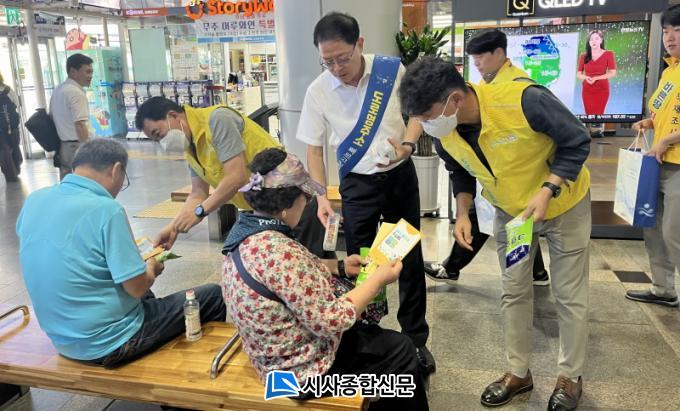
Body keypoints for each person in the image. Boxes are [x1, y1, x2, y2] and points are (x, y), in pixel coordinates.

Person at [400, 57, 591, 410]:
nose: (424, 125)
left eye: (427, 116)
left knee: (568, 293)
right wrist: (462, 212)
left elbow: (577, 140)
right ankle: (518, 372)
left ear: (455, 100)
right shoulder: (445, 132)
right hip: (513, 214)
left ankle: (570, 376)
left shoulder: (524, 100)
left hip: (564, 205)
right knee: (513, 290)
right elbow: (459, 170)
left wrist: (548, 189)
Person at [221, 148, 428, 409]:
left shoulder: (246, 234)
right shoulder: (283, 253)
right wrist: (377, 280)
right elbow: (332, 320)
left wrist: (339, 266)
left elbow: (280, 278)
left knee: (372, 338)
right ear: (285, 206)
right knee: (401, 351)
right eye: (305, 196)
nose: (308, 202)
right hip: (299, 377)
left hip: (270, 359)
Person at [296, 12, 435, 375]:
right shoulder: (318, 91)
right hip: (357, 185)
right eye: (328, 61)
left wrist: (408, 145)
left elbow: (416, 114)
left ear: (360, 44)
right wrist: (321, 197)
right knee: (362, 261)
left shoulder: (390, 71)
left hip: (399, 177)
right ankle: (367, 334)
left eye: (342, 58)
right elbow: (313, 150)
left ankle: (415, 339)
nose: (336, 68)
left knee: (408, 258)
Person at [16, 139, 226, 367]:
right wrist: (152, 267)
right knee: (212, 295)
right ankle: (196, 376)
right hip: (109, 342)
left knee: (144, 293)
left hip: (62, 338)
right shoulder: (106, 210)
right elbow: (136, 287)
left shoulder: (35, 200)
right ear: (117, 170)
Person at [424, 28, 549, 286]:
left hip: (516, 177)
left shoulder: (516, 87)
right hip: (497, 178)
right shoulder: (483, 86)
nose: (477, 63)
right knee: (505, 222)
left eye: (481, 57)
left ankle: (453, 267)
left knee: (489, 219)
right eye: (474, 58)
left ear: (499, 53)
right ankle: (536, 273)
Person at [135, 97, 331, 259]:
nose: (162, 143)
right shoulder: (190, 145)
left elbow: (237, 177)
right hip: (265, 210)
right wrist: (173, 228)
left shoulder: (217, 119)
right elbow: (198, 193)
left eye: (158, 134)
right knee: (285, 270)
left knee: (316, 267)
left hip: (292, 203)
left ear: (172, 116)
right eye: (155, 140)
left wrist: (200, 212)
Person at [625, 5, 680, 308]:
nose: (670, 37)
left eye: (678, 30)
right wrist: (650, 122)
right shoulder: (670, 72)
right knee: (654, 229)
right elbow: (664, 113)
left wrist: (668, 140)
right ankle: (662, 289)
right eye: (667, 31)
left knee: (674, 232)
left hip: (677, 165)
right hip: (657, 163)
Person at [50, 53, 93, 180]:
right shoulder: (76, 93)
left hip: (64, 146)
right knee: (83, 181)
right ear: (73, 71)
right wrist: (87, 148)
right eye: (87, 72)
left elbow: (51, 116)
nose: (90, 76)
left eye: (91, 72)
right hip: (77, 146)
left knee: (67, 181)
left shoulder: (58, 90)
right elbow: (80, 124)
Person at [577, 30, 617, 116]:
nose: (593, 41)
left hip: (602, 89)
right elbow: (579, 74)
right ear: (589, 42)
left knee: (599, 115)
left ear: (601, 40)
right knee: (588, 115)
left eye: (596, 38)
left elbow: (613, 73)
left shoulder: (608, 54)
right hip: (587, 89)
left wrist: (596, 78)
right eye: (591, 39)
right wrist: (586, 77)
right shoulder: (583, 56)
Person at [0, 72, 22, 182]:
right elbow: (16, 104)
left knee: (4, 150)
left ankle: (10, 174)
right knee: (15, 146)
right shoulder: (8, 90)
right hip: (12, 126)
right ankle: (17, 168)